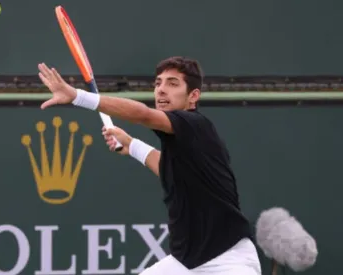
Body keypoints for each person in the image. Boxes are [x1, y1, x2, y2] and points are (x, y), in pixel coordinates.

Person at [36, 56, 262, 275]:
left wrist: (77, 96)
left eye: (173, 84)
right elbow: (168, 168)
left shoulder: (196, 125)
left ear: (193, 97)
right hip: (186, 262)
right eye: (158, 83)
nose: (161, 89)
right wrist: (132, 146)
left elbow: (143, 114)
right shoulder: (183, 141)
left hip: (228, 260)